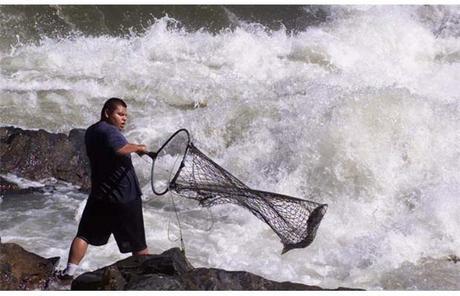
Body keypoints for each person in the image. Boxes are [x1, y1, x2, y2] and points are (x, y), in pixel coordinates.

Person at [57, 97, 149, 279]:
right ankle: (145, 281)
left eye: (125, 116)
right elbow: (119, 149)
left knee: (83, 235)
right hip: (125, 197)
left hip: (100, 196)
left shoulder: (91, 131)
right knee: (139, 246)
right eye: (120, 114)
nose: (124, 119)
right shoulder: (109, 130)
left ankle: (68, 274)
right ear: (107, 113)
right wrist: (138, 147)